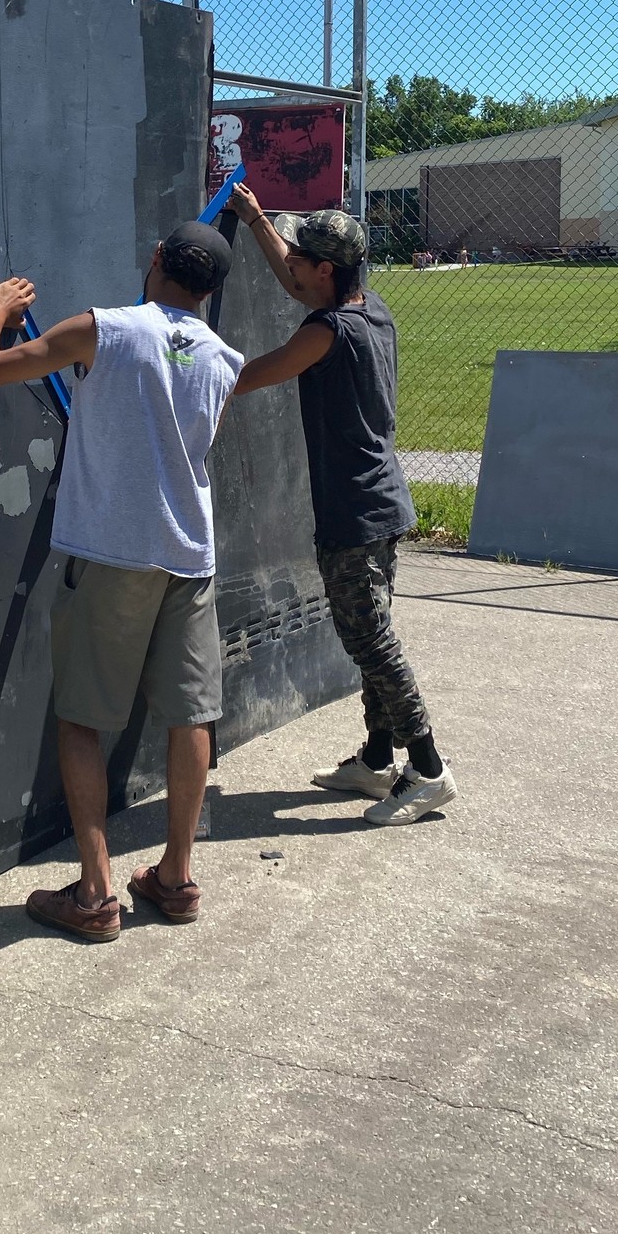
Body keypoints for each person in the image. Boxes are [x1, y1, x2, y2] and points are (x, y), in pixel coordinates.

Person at [0, 222, 244, 941]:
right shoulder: (223, 359)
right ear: (212, 290)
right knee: (191, 715)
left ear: (153, 260)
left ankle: (95, 893)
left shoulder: (102, 329)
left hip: (110, 556)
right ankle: (176, 878)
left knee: (82, 718)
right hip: (190, 557)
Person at [228, 186, 457, 826]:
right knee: (368, 636)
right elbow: (295, 282)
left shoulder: (326, 332)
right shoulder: (369, 311)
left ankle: (430, 769)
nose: (293, 266)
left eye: (302, 258)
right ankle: (378, 759)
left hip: (355, 513)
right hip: (383, 501)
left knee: (371, 640)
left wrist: (179, 366)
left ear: (326, 270)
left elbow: (251, 375)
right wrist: (254, 221)